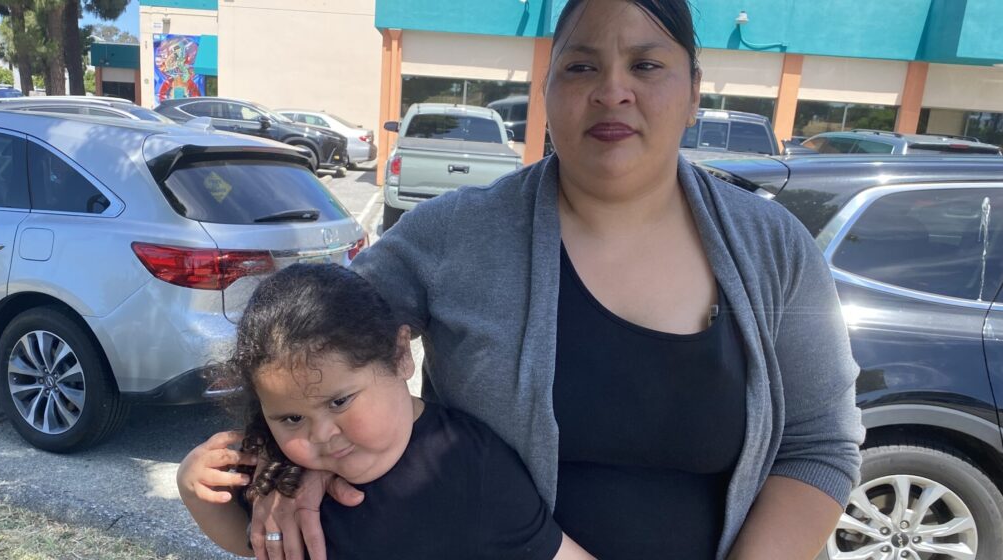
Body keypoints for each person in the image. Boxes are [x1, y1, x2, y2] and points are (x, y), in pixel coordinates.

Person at [178, 0, 864, 558]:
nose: (613, 90)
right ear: (547, 92)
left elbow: (819, 446)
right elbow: (304, 350)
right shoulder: (452, 235)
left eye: (647, 64)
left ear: (692, 93)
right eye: (581, 65)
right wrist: (282, 465)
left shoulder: (775, 248)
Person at [178, 263, 595, 559]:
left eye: (339, 401)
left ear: (399, 356)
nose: (320, 434)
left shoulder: (472, 465)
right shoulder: (284, 475)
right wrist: (192, 489)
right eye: (291, 418)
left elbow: (551, 550)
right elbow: (249, 542)